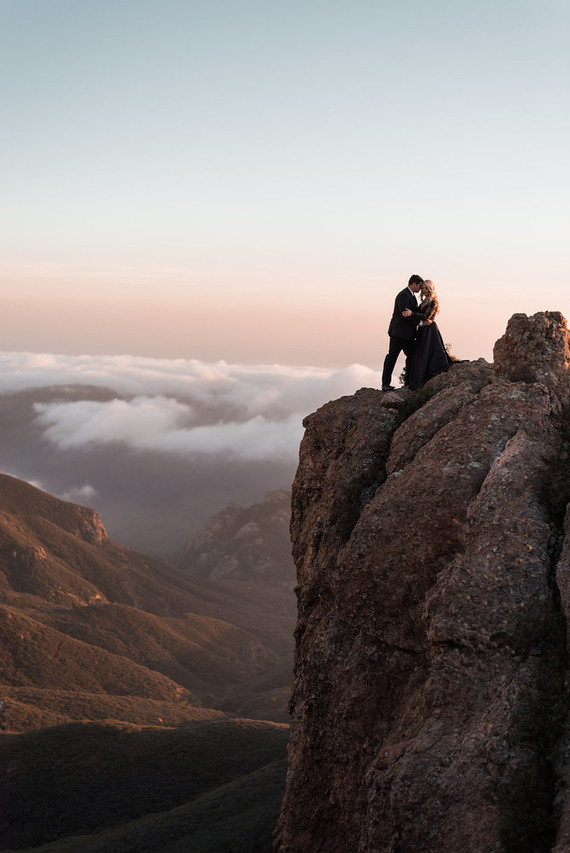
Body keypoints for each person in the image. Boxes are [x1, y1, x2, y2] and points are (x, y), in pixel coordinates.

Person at [403, 279, 451, 390]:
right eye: (423, 287)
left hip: (430, 330)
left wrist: (411, 313)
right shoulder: (424, 301)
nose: (423, 290)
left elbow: (427, 317)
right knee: (420, 353)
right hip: (422, 329)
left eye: (426, 288)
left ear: (430, 289)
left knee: (428, 353)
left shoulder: (433, 301)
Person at [381, 274, 424, 391]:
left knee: (411, 356)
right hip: (398, 333)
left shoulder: (411, 296)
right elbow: (405, 315)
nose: (420, 289)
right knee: (392, 357)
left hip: (408, 335)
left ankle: (408, 382)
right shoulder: (403, 295)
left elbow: (413, 313)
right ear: (414, 283)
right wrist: (420, 323)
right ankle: (385, 384)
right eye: (419, 286)